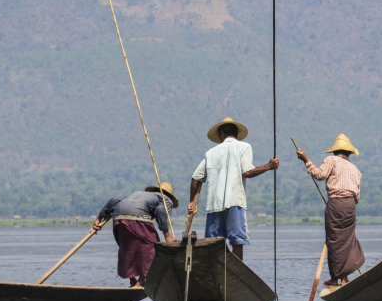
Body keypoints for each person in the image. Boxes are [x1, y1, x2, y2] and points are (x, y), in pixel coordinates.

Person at [187, 117, 279, 261]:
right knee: (237, 241)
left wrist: (192, 203)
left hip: (214, 205)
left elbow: (195, 178)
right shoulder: (244, 147)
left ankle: (216, 271)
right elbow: (247, 172)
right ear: (236, 134)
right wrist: (269, 166)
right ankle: (236, 270)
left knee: (213, 244)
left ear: (221, 134)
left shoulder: (210, 153)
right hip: (235, 202)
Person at [296, 133, 365, 287]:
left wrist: (306, 160)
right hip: (350, 206)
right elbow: (357, 196)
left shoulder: (331, 160)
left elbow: (320, 175)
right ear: (349, 152)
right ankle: (344, 278)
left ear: (335, 151)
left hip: (336, 204)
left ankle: (335, 279)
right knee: (347, 239)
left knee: (334, 240)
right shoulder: (355, 169)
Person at [92, 183, 178, 287]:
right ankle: (140, 282)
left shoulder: (139, 194)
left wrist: (99, 218)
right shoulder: (166, 199)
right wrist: (167, 235)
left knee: (127, 248)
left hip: (118, 218)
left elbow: (114, 200)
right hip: (137, 218)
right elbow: (160, 211)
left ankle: (132, 280)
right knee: (154, 248)